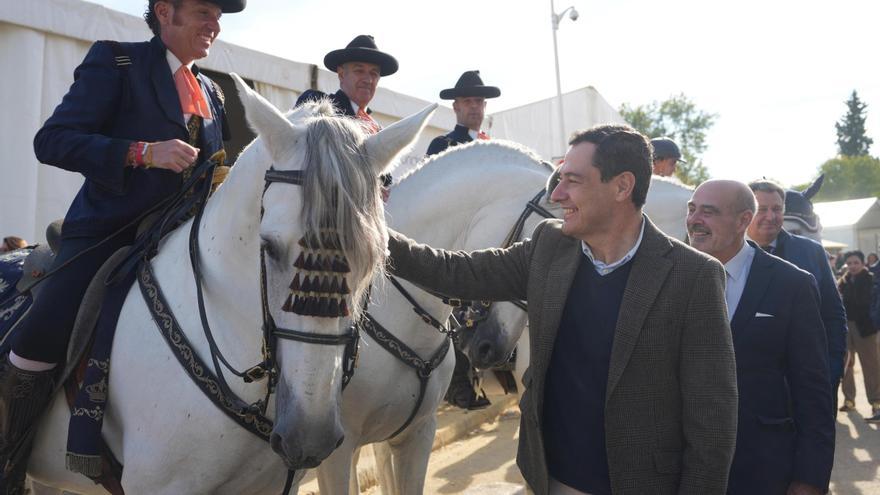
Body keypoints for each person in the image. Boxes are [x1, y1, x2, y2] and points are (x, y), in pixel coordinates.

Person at [387, 124, 738, 494]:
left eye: (573, 180)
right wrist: (371, 230)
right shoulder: (548, 245)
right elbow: (455, 271)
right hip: (550, 480)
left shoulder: (693, 276)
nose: (557, 194)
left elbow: (712, 417)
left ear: (622, 186)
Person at [0, 0, 242, 488]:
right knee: (41, 333)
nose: (214, 23)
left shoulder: (215, 91)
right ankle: (10, 458)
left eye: (218, 15)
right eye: (202, 11)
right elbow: (53, 140)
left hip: (182, 239)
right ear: (165, 11)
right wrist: (141, 153)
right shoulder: (116, 61)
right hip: (109, 233)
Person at [687, 180, 834, 495]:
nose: (695, 220)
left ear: (743, 220)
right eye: (692, 209)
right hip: (682, 470)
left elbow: (812, 390)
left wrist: (810, 477)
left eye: (708, 212)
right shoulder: (671, 277)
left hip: (762, 468)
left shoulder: (792, 285)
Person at [747, 179, 848, 412]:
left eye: (777, 209)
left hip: (811, 384)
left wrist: (832, 370)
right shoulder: (725, 254)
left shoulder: (812, 253)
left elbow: (833, 314)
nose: (771, 216)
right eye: (762, 209)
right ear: (745, 212)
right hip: (751, 391)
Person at [295, 34, 397, 135]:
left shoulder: (379, 131)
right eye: (359, 71)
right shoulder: (317, 104)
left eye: (373, 73)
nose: (368, 80)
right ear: (342, 74)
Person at [837, 250, 880, 422]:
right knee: (846, 364)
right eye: (849, 263)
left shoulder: (871, 279)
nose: (852, 266)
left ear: (863, 263)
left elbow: (865, 303)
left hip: (866, 328)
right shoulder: (844, 281)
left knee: (871, 366)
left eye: (856, 262)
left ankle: (876, 402)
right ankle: (849, 400)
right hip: (846, 325)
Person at [425, 70, 500, 156]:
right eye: (467, 101)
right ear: (456, 107)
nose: (474, 105)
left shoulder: (493, 148)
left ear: (485, 105)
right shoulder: (442, 145)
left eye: (478, 100)